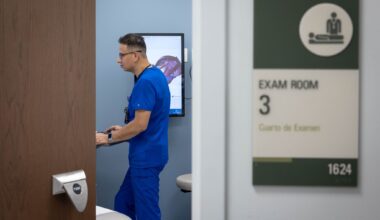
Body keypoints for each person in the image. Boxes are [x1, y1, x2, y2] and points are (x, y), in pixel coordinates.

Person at [96, 33, 170, 220]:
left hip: (146, 158)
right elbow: (146, 121)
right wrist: (122, 130)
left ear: (135, 55)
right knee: (123, 203)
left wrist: (108, 139)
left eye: (121, 55)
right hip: (150, 153)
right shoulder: (156, 74)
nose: (118, 60)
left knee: (147, 212)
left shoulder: (145, 82)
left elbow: (139, 125)